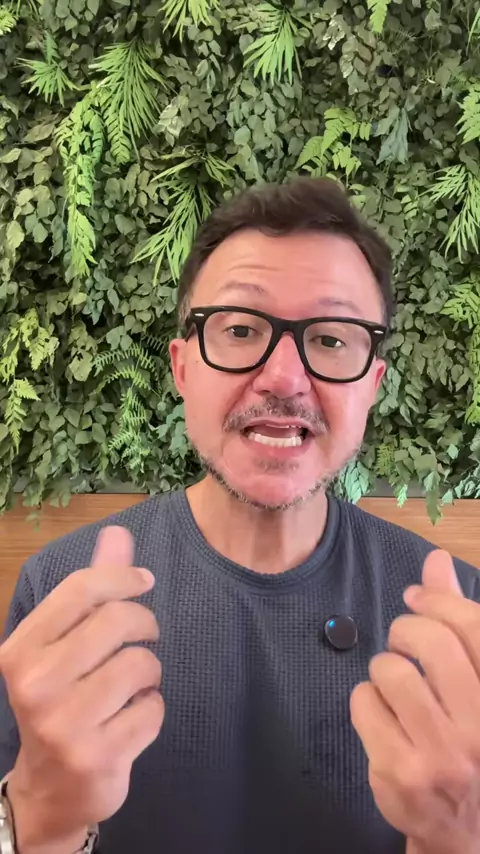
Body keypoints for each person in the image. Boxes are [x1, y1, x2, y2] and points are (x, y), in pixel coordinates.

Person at [0, 176, 479, 854]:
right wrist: (41, 817)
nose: (283, 378)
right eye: (241, 329)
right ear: (182, 368)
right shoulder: (62, 591)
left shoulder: (458, 623)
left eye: (331, 339)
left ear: (372, 384)